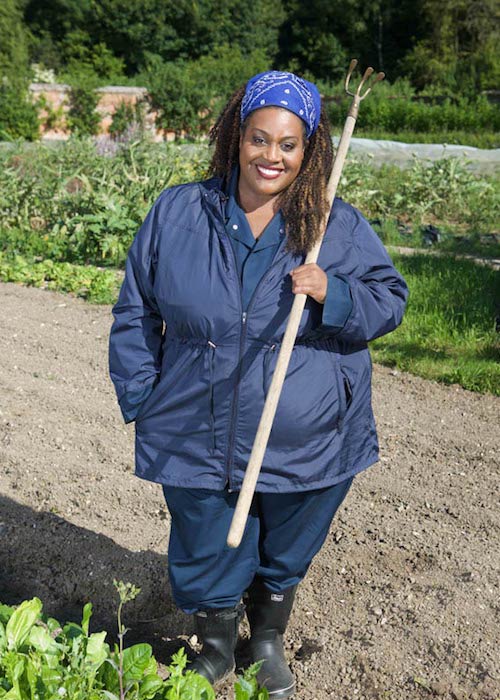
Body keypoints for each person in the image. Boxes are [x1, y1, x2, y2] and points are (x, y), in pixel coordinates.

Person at [109, 70, 408, 698]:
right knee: (205, 536)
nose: (271, 155)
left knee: (289, 539)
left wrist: (336, 292)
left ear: (309, 151)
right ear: (234, 137)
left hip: (309, 433)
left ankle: (265, 641)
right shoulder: (178, 212)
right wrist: (144, 397)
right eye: (258, 138)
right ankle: (217, 645)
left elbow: (390, 300)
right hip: (194, 421)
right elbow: (135, 309)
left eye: (288, 144)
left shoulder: (334, 226)